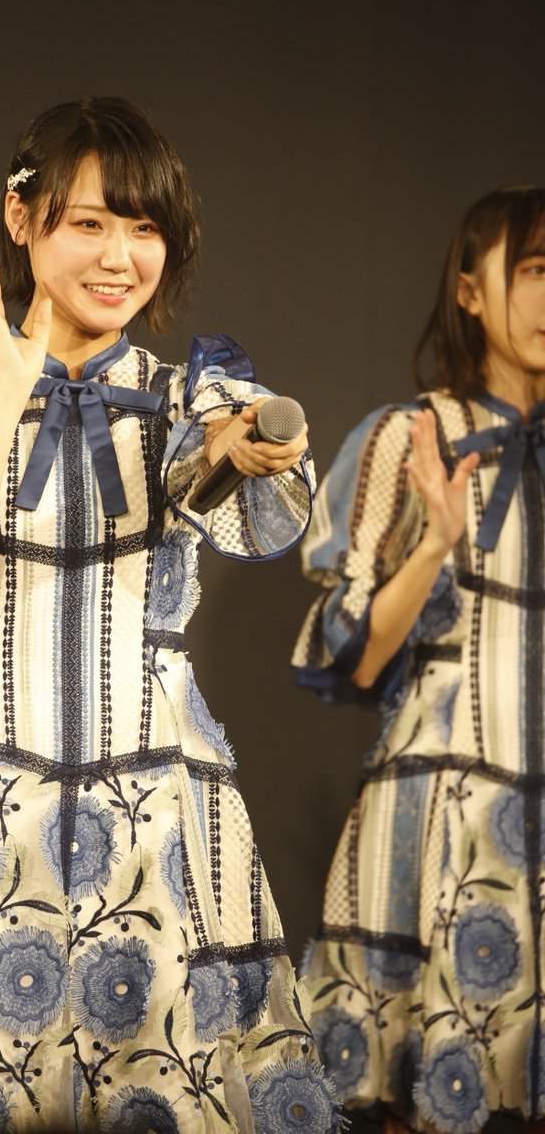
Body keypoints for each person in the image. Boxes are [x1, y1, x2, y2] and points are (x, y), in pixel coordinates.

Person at [0, 96, 338, 1134]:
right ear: (21, 216)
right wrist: (9, 389)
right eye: (88, 222)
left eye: (144, 228)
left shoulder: (187, 395)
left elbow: (217, 460)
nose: (119, 256)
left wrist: (246, 444)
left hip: (157, 805)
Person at [292, 185, 545, 1133]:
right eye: (536, 270)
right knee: (425, 1103)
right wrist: (436, 541)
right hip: (439, 818)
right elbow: (355, 660)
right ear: (471, 291)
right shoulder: (413, 437)